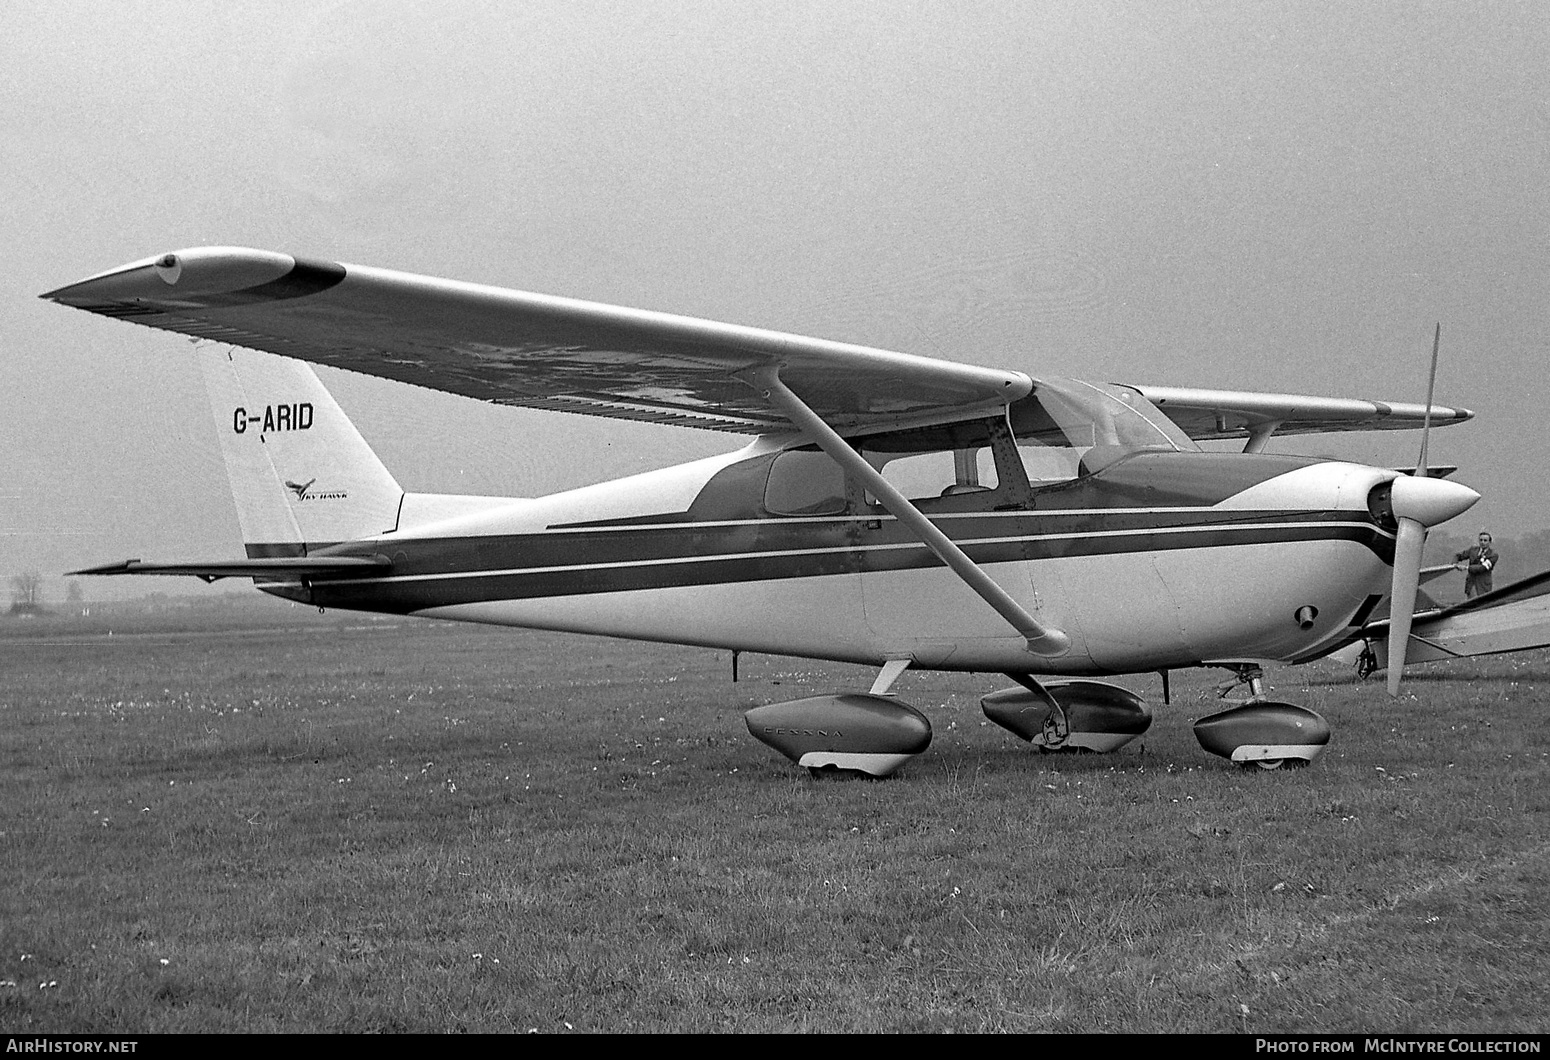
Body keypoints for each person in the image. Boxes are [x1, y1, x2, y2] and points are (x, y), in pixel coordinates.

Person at [1455, 531, 1499, 598]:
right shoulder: (1473, 550)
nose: (1482, 542)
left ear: (1490, 542)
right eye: (1481, 540)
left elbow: (1482, 568)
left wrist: (1466, 568)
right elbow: (1459, 556)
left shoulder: (1493, 555)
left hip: (1483, 586)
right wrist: (1454, 564)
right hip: (1471, 584)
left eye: (1485, 540)